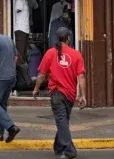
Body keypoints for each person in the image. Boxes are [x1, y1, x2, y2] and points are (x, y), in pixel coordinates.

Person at [33, 27, 86, 159]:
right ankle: (59, 147)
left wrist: (36, 88)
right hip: (70, 94)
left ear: (57, 38)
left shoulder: (50, 53)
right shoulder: (76, 54)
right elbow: (81, 77)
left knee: (62, 121)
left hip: (57, 93)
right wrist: (82, 95)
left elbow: (41, 75)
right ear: (68, 38)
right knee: (63, 120)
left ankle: (69, 150)